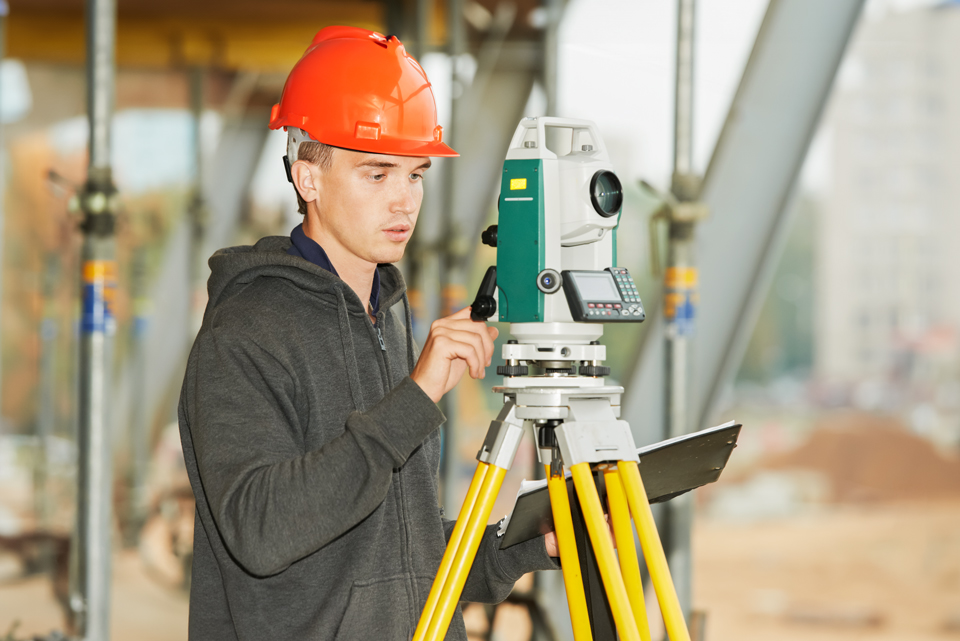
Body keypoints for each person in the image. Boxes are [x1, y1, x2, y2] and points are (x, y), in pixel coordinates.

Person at [178, 26, 558, 641]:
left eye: (416, 175)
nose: (404, 202)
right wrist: (416, 396)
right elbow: (260, 529)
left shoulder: (386, 312)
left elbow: (401, 552)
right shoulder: (245, 328)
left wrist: (522, 546)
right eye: (376, 174)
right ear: (310, 179)